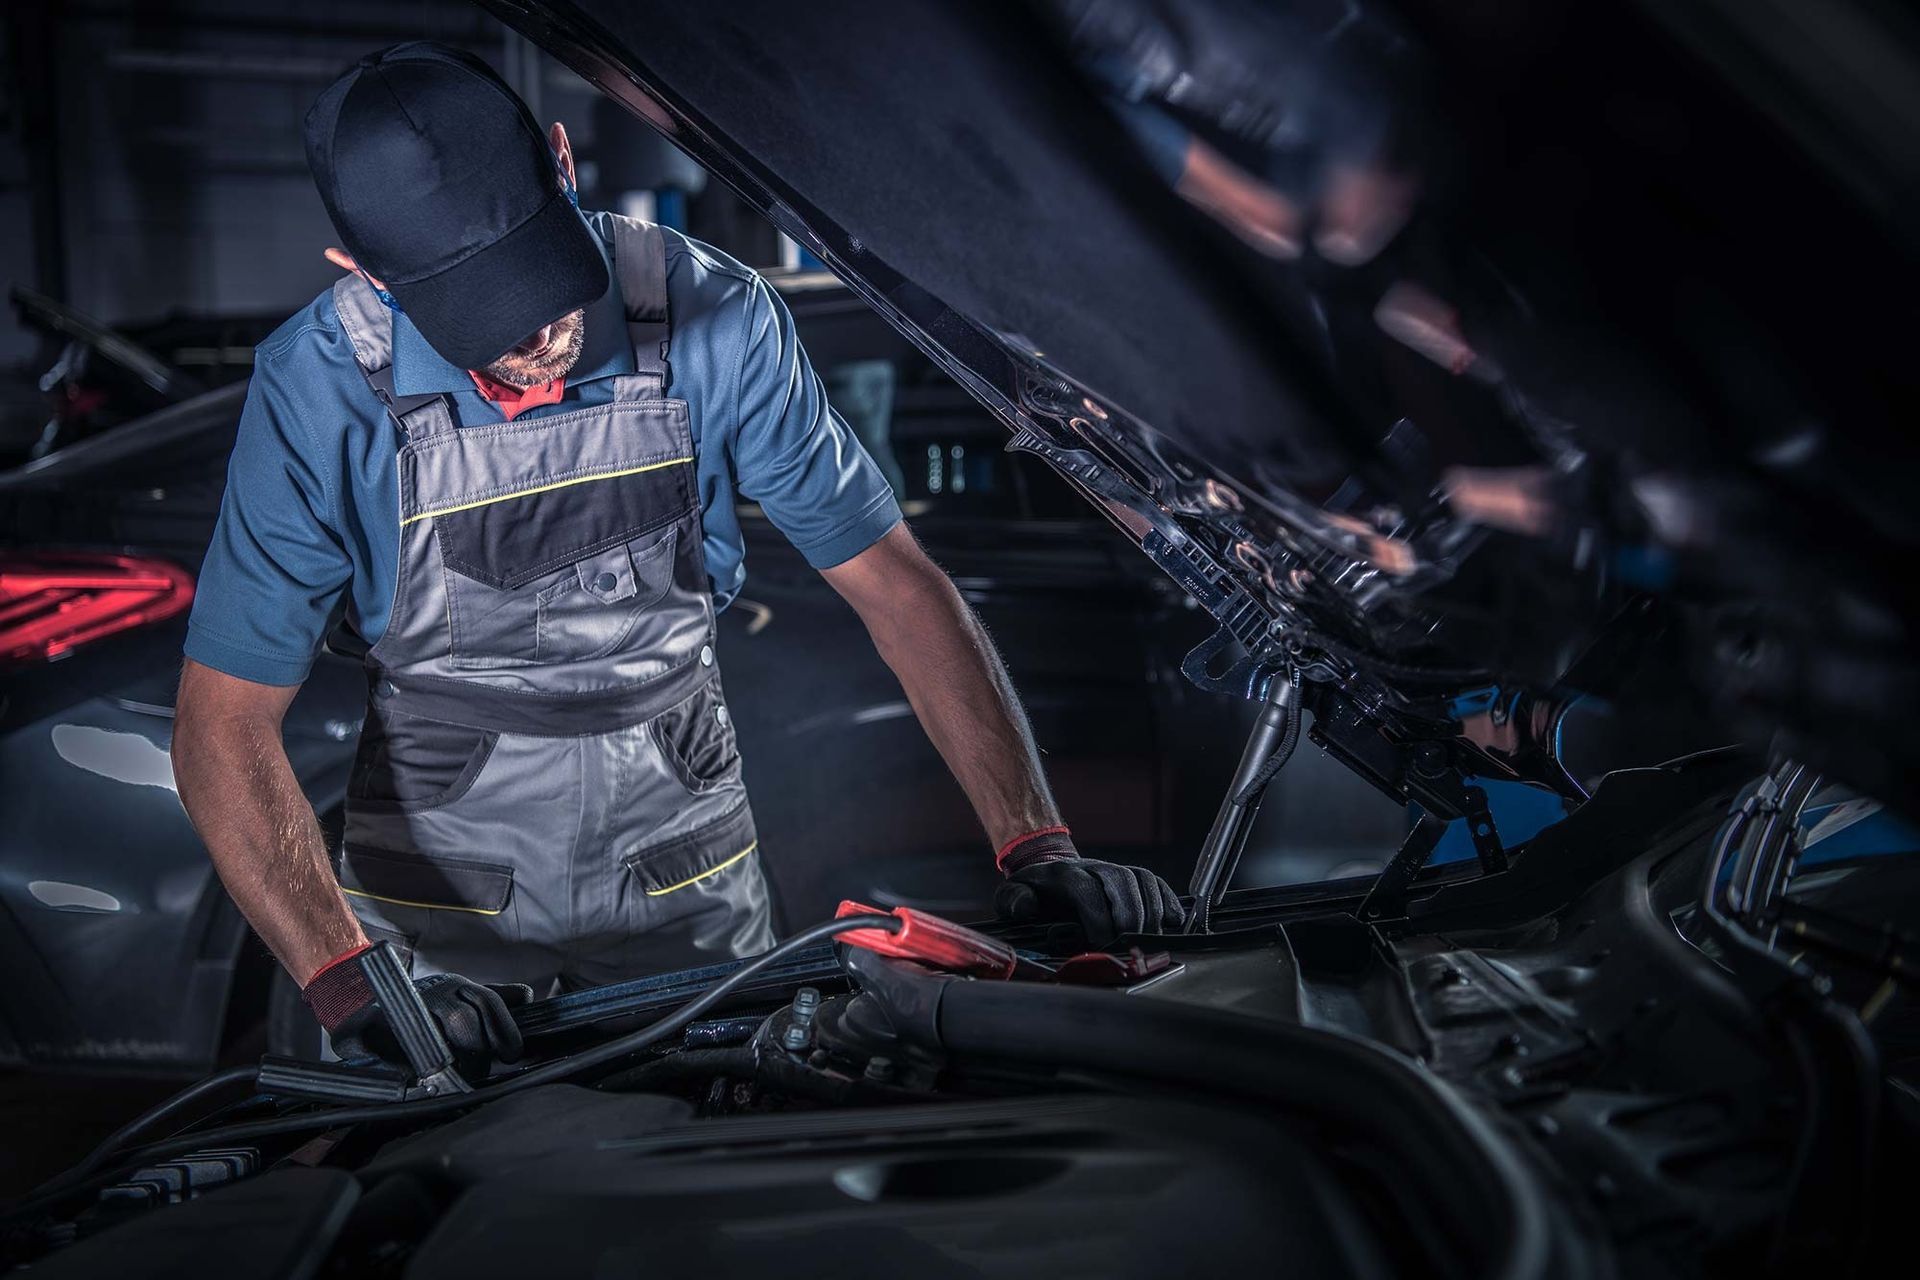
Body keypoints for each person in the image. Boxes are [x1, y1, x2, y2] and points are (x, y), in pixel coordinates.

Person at [169, 42, 1182, 1072]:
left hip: (686, 885)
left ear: (563, 162)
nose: (538, 335)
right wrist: (349, 975)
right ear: (367, 272)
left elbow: (895, 584)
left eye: (543, 274)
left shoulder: (720, 315)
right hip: (437, 923)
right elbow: (223, 723)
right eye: (481, 311)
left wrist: (1033, 840)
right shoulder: (318, 389)